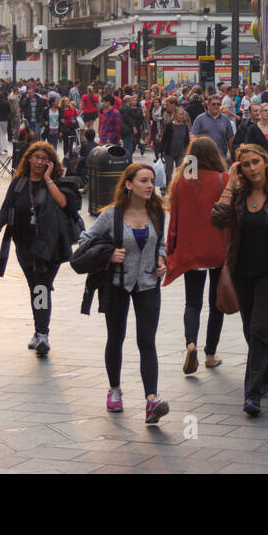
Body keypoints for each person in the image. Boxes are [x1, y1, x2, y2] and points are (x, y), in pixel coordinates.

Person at [210, 144, 268, 416]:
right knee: (251, 328)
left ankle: (252, 394)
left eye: (255, 162)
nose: (252, 168)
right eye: (245, 164)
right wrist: (230, 184)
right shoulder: (237, 195)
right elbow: (217, 221)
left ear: (265, 163)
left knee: (260, 328)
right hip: (241, 271)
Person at [72, 162, 169, 422]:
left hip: (148, 284)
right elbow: (84, 241)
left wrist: (161, 260)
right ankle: (114, 389)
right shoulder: (112, 215)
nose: (150, 185)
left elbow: (162, 244)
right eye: (144, 181)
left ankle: (152, 400)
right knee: (116, 337)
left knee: (146, 341)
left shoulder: (158, 213)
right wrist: (109, 254)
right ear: (128, 184)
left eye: (152, 181)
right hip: (116, 284)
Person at [0, 141, 80, 357]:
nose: (39, 162)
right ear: (29, 159)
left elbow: (64, 204)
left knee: (40, 286)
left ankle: (42, 333)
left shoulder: (58, 183)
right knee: (37, 287)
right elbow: (7, 206)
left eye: (44, 159)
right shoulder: (19, 184)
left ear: (51, 163)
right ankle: (39, 330)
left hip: (49, 246)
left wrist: (49, 179)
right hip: (23, 245)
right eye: (36, 157)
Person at [163, 137, 230, 373]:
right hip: (218, 250)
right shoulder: (224, 180)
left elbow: (175, 222)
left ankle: (191, 343)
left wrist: (170, 250)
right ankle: (210, 354)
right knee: (216, 304)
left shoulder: (182, 182)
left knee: (193, 303)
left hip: (192, 251)